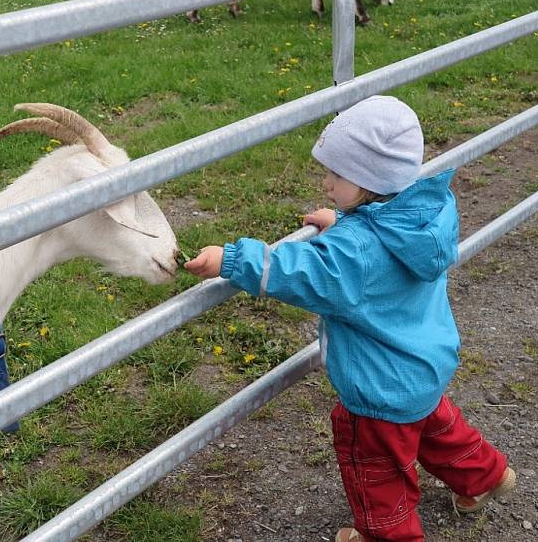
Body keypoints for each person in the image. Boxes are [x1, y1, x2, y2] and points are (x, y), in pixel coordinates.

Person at [184, 95, 516, 542]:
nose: (325, 183)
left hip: (378, 392)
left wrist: (231, 259)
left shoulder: (355, 252)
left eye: (336, 175)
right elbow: (377, 237)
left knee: (376, 474)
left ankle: (386, 535)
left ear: (367, 181)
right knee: (437, 429)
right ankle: (489, 477)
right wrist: (344, 219)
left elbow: (301, 272)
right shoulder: (425, 215)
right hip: (423, 367)